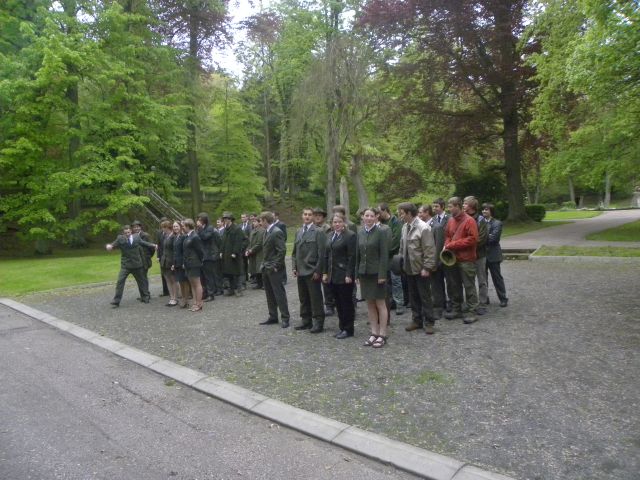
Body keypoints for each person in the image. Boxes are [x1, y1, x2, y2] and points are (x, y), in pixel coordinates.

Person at [398, 202, 437, 334]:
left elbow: (429, 249)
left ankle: (429, 322)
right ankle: (417, 320)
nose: (400, 216)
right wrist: (400, 261)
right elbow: (402, 246)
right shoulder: (405, 227)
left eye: (402, 213)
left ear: (409, 213)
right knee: (413, 296)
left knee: (425, 296)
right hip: (408, 267)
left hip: (421, 268)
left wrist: (427, 267)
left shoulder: (423, 227)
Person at [356, 207, 390, 348]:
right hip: (364, 273)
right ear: (362, 217)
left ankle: (382, 334)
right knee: (369, 303)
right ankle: (373, 332)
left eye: (371, 216)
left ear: (376, 217)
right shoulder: (360, 232)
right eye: (366, 215)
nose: (369, 218)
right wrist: (357, 274)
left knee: (380, 303)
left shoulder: (381, 232)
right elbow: (358, 254)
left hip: (377, 274)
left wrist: (382, 274)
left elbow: (384, 255)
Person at [443, 197, 479, 324]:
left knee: (469, 286)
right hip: (453, 259)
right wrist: (447, 244)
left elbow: (473, 239)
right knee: (454, 285)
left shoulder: (470, 221)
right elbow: (447, 235)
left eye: (450, 206)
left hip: (466, 259)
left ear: (458, 206)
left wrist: (452, 245)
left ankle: (472, 311)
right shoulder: (450, 220)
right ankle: (457, 309)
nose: (449, 209)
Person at [292, 207, 327, 333]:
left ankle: (318, 321)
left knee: (315, 298)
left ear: (313, 217)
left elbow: (322, 253)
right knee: (303, 297)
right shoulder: (299, 231)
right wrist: (294, 267)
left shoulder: (318, 232)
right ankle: (306, 320)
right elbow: (294, 252)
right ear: (302, 216)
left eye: (309, 214)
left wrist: (318, 271)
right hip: (301, 270)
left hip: (312, 270)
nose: (307, 216)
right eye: (305, 214)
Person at [322, 214, 356, 339]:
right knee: (338, 303)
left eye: (339, 222)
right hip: (332, 275)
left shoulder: (350, 235)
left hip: (344, 275)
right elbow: (326, 255)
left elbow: (352, 257)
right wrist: (325, 272)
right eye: (335, 222)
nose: (337, 224)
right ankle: (342, 327)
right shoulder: (330, 235)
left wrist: (349, 274)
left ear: (344, 222)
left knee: (346, 303)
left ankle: (348, 329)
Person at [105, 225, 156, 307]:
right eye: (125, 233)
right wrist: (109, 246)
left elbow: (144, 243)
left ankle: (145, 297)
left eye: (128, 232)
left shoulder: (136, 237)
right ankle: (116, 301)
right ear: (123, 233)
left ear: (131, 231)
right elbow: (113, 245)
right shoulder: (120, 238)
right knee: (120, 282)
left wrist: (153, 245)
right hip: (126, 266)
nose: (127, 234)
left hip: (137, 265)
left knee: (142, 282)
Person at [258, 211, 290, 327]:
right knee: (269, 294)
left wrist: (276, 266)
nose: (259, 223)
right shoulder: (266, 232)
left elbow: (281, 251)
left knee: (279, 293)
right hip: (266, 267)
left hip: (274, 268)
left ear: (265, 220)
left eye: (261, 221)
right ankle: (273, 316)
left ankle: (285, 317)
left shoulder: (276, 232)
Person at [463, 196, 489, 315]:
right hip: (467, 256)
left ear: (471, 206)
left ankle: (482, 303)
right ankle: (471, 303)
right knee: (468, 281)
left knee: (482, 280)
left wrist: (466, 245)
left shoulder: (481, 220)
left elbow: (482, 238)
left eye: (465, 203)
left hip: (479, 255)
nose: (463, 205)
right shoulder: (463, 218)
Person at [378, 203, 405, 316]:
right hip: (384, 258)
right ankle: (391, 302)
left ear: (385, 210)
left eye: (380, 212)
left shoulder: (395, 222)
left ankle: (399, 304)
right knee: (387, 281)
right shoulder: (381, 223)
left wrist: (386, 250)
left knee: (396, 281)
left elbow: (396, 239)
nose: (378, 214)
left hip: (394, 256)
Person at [482, 203, 508, 307]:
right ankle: (485, 298)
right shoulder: (480, 222)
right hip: (482, 255)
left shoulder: (497, 223)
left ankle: (503, 298)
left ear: (491, 211)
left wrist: (482, 237)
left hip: (493, 255)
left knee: (497, 278)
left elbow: (494, 238)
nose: (484, 211)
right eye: (483, 209)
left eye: (486, 209)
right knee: (483, 279)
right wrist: (487, 236)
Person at [313, 207, 335, 316]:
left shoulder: (328, 228)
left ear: (323, 217)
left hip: (325, 258)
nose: (317, 217)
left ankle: (329, 305)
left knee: (326, 284)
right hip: (313, 259)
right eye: (316, 215)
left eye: (319, 215)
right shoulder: (311, 228)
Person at [430, 198, 449, 317]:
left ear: (442, 206)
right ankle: (439, 306)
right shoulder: (432, 220)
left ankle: (452, 304)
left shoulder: (450, 219)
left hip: (447, 255)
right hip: (435, 255)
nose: (434, 208)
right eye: (433, 206)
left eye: (436, 206)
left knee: (451, 282)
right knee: (436, 283)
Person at [197, 212, 222, 301]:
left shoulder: (210, 228)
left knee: (209, 276)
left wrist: (200, 228)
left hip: (209, 255)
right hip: (202, 255)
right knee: (203, 276)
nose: (198, 221)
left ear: (204, 220)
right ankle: (205, 292)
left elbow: (205, 237)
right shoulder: (200, 229)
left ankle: (211, 294)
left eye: (199, 219)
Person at [220, 212, 245, 297]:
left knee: (237, 273)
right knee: (229, 273)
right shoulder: (226, 229)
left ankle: (239, 290)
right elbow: (223, 241)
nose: (225, 220)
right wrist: (221, 251)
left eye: (226, 219)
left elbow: (238, 242)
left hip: (234, 255)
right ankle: (231, 289)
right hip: (226, 255)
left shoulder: (237, 229)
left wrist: (235, 252)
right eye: (224, 219)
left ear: (230, 220)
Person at [182, 218, 205, 312]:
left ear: (188, 226)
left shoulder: (195, 237)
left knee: (197, 284)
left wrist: (198, 261)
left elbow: (200, 251)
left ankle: (199, 303)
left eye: (183, 226)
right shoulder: (187, 236)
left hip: (194, 263)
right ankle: (195, 302)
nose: (182, 227)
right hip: (188, 263)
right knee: (192, 284)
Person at [132, 220, 155, 299]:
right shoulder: (132, 236)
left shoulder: (145, 235)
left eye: (137, 227)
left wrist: (148, 256)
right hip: (137, 260)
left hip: (145, 260)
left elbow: (151, 247)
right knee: (139, 278)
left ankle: (146, 294)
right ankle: (143, 295)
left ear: (140, 227)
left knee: (143, 278)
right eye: (134, 227)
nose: (136, 228)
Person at [159, 220, 179, 306]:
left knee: (173, 280)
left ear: (167, 227)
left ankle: (175, 298)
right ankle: (171, 297)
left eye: (163, 227)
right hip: (164, 261)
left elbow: (175, 251)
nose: (162, 229)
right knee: (167, 280)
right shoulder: (165, 236)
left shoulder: (173, 236)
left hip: (171, 261)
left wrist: (174, 263)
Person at [172, 220, 192, 309]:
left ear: (180, 227)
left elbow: (185, 251)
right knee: (180, 281)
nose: (175, 228)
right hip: (177, 263)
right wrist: (173, 263)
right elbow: (175, 252)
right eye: (174, 226)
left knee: (185, 282)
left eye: (177, 226)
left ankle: (186, 300)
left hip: (182, 262)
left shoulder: (183, 237)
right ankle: (183, 298)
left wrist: (184, 262)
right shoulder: (175, 237)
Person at [246, 217, 265, 289]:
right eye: (252, 222)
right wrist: (248, 249)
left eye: (255, 222)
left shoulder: (262, 231)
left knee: (260, 269)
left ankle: (264, 284)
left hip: (260, 253)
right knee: (255, 269)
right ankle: (259, 284)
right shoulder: (252, 231)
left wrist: (251, 250)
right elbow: (249, 242)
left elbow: (260, 243)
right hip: (253, 253)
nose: (253, 223)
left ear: (259, 222)